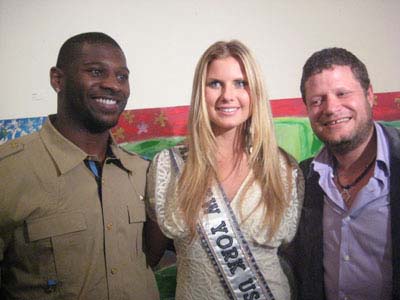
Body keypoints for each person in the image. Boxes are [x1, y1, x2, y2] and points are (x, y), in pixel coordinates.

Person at [0, 32, 159, 299]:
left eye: (122, 76)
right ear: (57, 79)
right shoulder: (9, 172)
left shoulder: (143, 171)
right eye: (96, 71)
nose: (114, 85)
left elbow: (149, 259)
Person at [145, 40, 304, 300]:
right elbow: (149, 255)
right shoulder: (168, 166)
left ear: (255, 93)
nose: (227, 95)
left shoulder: (283, 169)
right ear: (201, 92)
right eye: (215, 83)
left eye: (241, 83)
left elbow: (296, 259)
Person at [284, 47, 400, 300]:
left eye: (342, 93)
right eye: (317, 100)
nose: (331, 107)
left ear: (370, 95)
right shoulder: (304, 179)